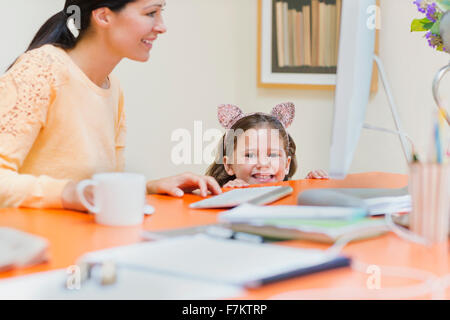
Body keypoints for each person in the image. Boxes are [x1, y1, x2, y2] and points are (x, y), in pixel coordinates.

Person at [0, 0, 221, 211]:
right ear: (104, 16)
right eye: (151, 13)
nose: (162, 27)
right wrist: (68, 193)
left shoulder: (112, 87)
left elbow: (97, 190)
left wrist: (151, 187)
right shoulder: (41, 69)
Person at [205, 103, 329, 187]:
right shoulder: (221, 194)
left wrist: (309, 186)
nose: (263, 164)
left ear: (287, 164)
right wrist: (224, 195)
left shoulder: (292, 195)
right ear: (229, 165)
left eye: (273, 154)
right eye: (250, 155)